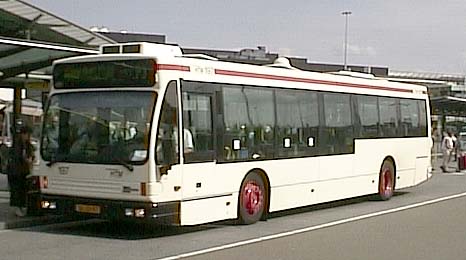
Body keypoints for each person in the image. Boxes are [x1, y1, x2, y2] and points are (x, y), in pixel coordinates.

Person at [8, 124, 35, 217]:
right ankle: (17, 207)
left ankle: (21, 207)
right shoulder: (18, 143)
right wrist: (27, 160)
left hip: (23, 171)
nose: (28, 137)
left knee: (23, 189)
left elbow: (30, 153)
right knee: (17, 189)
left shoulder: (26, 144)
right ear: (24, 134)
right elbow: (18, 156)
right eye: (28, 135)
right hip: (16, 171)